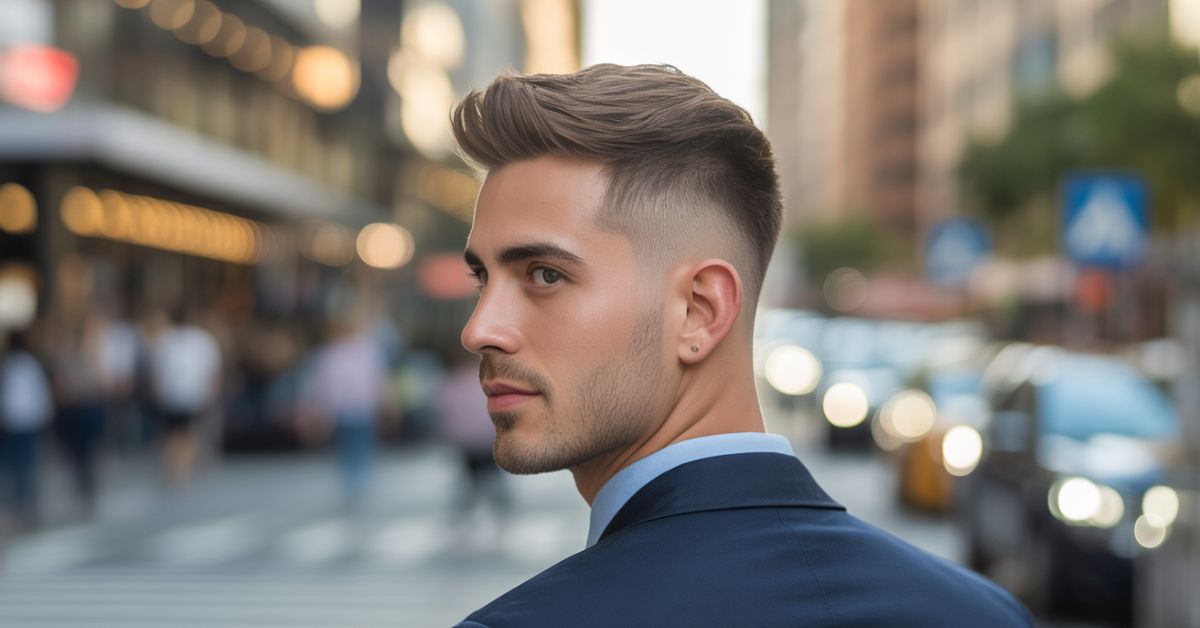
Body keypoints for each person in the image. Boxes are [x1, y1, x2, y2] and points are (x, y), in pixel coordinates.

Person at [449, 64, 1033, 627]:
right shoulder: (984, 615)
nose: (479, 330)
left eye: (544, 275)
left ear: (699, 311)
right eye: (483, 279)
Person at [304, 315, 389, 510]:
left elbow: (322, 385)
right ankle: (355, 482)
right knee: (356, 446)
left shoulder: (334, 354)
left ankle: (355, 482)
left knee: (355, 446)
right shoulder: (366, 352)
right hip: (353, 407)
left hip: (353, 407)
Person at [148, 309, 221, 488]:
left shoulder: (166, 339)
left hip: (174, 394)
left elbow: (156, 370)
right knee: (185, 433)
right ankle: (181, 469)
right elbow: (212, 369)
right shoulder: (202, 339)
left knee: (174, 433)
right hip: (191, 393)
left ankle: (177, 468)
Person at [0, 329, 55, 528]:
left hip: (14, 422)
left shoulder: (8, 366)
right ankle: (25, 505)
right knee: (27, 465)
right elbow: (41, 394)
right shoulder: (28, 365)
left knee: (16, 466)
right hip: (28, 422)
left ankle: (20, 505)